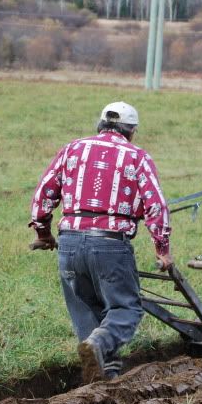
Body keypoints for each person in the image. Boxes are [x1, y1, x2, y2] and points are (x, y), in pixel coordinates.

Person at [28, 101, 173, 382]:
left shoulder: (72, 149)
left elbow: (44, 193)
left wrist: (43, 233)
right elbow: (156, 206)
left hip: (69, 244)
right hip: (110, 246)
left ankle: (102, 375)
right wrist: (162, 250)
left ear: (100, 125)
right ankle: (99, 347)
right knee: (126, 308)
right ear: (131, 131)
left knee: (85, 310)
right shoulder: (137, 157)